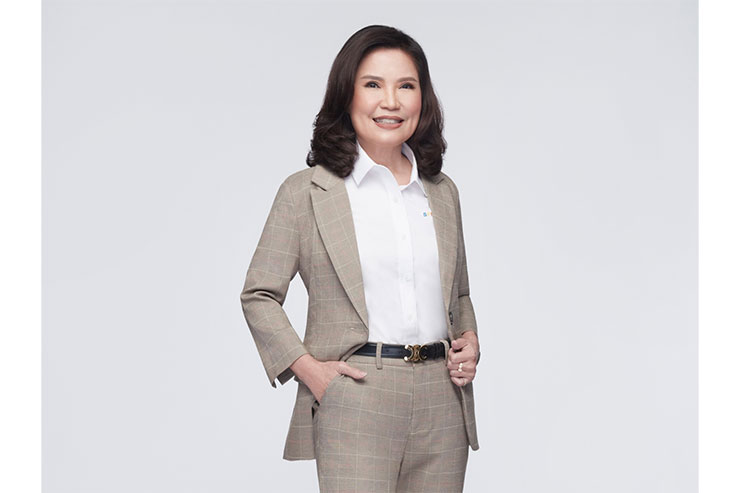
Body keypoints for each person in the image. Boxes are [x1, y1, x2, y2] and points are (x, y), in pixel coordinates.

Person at [240, 24, 481, 492]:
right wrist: (310, 371)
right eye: (372, 84)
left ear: (423, 99)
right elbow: (258, 294)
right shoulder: (306, 192)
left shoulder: (441, 191)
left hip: (443, 401)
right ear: (346, 96)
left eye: (406, 86)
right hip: (357, 392)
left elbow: (460, 293)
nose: (390, 101)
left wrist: (469, 339)